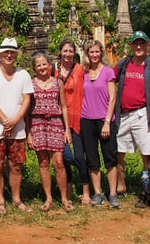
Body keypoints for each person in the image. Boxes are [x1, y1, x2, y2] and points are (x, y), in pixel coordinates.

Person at [114, 31, 150, 208]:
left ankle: (148, 190)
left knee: (147, 153)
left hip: (143, 114)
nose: (138, 47)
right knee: (118, 152)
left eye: (142, 44)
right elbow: (107, 81)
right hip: (123, 114)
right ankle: (121, 186)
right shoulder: (123, 64)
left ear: (147, 46)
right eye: (135, 43)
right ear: (131, 45)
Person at [0, 37, 34, 215]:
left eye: (12, 52)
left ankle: (17, 199)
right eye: (6, 52)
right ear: (1, 54)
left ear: (16, 55)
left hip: (17, 129)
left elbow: (27, 99)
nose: (9, 55)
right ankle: (1, 200)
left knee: (16, 166)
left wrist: (16, 120)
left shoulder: (23, 74)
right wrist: (6, 120)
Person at [26, 52, 74, 212]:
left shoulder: (58, 82)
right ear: (34, 68)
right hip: (37, 124)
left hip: (55, 123)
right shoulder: (31, 84)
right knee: (43, 163)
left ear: (49, 65)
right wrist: (29, 133)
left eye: (44, 64)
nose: (42, 67)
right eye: (38, 65)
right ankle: (48, 199)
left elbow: (64, 106)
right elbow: (27, 111)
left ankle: (65, 199)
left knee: (59, 163)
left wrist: (67, 129)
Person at [80, 41, 120, 208]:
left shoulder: (108, 72)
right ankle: (98, 192)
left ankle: (113, 193)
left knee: (110, 157)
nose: (94, 55)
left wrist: (107, 122)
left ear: (101, 53)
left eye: (97, 52)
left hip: (105, 120)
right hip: (86, 119)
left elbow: (112, 98)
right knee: (92, 158)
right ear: (87, 54)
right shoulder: (83, 73)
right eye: (91, 52)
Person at [53, 38, 91, 204]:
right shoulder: (53, 71)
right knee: (64, 157)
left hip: (78, 116)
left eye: (70, 51)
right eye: (65, 51)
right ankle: (67, 191)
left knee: (79, 157)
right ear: (60, 52)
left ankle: (86, 190)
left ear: (75, 53)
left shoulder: (80, 70)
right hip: (59, 119)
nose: (68, 54)